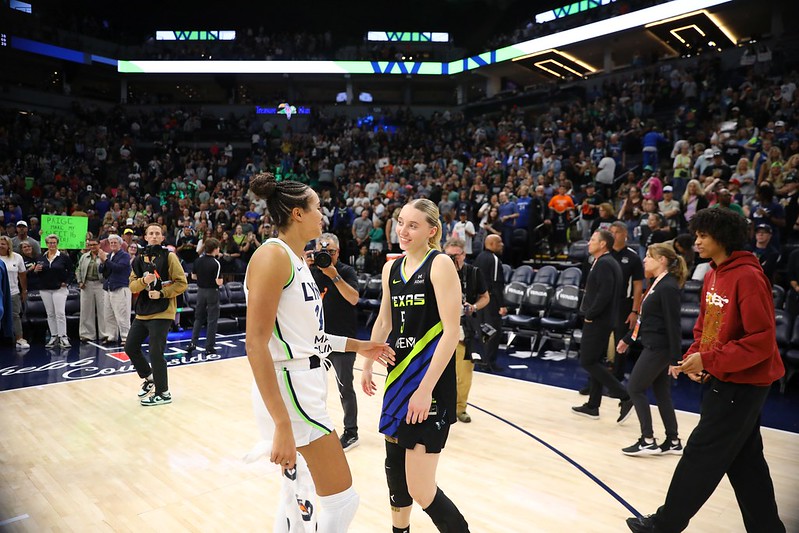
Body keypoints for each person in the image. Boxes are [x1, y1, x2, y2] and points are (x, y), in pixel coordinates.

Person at [244, 172, 394, 532]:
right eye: (317, 207)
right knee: (343, 500)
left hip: (304, 381)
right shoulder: (272, 256)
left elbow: (310, 338)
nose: (322, 214)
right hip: (290, 388)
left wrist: (361, 346)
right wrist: (282, 424)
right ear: (298, 213)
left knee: (296, 496)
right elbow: (255, 343)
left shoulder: (298, 260)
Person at [627, 208, 785, 533]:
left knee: (701, 453)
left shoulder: (748, 277)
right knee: (746, 464)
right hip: (722, 374)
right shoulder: (712, 275)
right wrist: (695, 356)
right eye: (696, 235)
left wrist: (710, 360)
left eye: (703, 235)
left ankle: (665, 525)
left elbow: (761, 341)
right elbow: (704, 327)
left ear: (722, 238)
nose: (696, 241)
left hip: (743, 383)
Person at [362, 198, 470, 533]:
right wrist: (367, 363)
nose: (403, 231)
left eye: (413, 225)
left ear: (431, 231)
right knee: (396, 476)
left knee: (421, 489)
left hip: (430, 386)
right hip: (397, 381)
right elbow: (384, 320)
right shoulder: (390, 269)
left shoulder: (440, 265)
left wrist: (425, 390)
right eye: (400, 222)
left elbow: (451, 332)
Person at [617, 243, 686, 456]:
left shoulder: (668, 287)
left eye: (649, 256)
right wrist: (629, 339)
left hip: (659, 348)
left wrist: (676, 359)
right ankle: (673, 440)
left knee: (635, 388)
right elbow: (645, 318)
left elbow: (674, 325)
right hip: (655, 345)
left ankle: (647, 440)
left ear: (662, 260)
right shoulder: (658, 282)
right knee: (661, 393)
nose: (644, 260)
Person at [572, 230, 634, 421]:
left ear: (602, 244)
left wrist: (590, 314)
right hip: (603, 319)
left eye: (592, 240)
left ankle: (625, 396)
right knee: (596, 362)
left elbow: (604, 294)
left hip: (598, 320)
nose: (588, 242)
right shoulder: (605, 261)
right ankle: (593, 405)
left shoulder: (605, 263)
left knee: (588, 361)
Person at [308, 233, 362, 452]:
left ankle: (351, 432)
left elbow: (354, 298)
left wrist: (334, 275)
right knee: (313, 386)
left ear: (338, 252)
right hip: (318, 339)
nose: (327, 256)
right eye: (322, 252)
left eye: (330, 252)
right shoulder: (311, 272)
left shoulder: (346, 271)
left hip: (343, 339)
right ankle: (316, 428)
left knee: (344, 387)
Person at [125, 223, 188, 406]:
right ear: (145, 237)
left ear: (162, 237)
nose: (154, 236)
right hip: (143, 311)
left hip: (163, 311)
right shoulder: (139, 258)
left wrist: (162, 293)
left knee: (155, 352)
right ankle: (150, 377)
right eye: (151, 233)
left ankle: (163, 393)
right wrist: (144, 281)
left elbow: (182, 283)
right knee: (130, 347)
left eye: (157, 233)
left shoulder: (170, 256)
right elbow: (132, 286)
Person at [444, 237, 489, 424]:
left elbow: (485, 297)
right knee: (439, 374)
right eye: (449, 256)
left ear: (464, 255)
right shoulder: (438, 272)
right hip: (441, 329)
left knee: (464, 375)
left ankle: (460, 408)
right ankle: (442, 408)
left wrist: (474, 307)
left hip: (464, 330)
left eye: (456, 256)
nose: (453, 259)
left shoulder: (474, 273)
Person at [474, 234, 507, 372]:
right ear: (492, 244)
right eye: (499, 242)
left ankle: (483, 360)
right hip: (491, 301)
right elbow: (496, 284)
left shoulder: (479, 257)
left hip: (479, 300)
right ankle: (489, 362)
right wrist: (502, 304)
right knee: (492, 331)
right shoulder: (494, 259)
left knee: (484, 331)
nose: (502, 245)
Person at [187, 237, 223, 356]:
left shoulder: (198, 260)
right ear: (215, 249)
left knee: (198, 318)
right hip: (212, 292)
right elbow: (219, 282)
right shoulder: (216, 263)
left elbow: (193, 276)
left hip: (200, 292)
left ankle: (193, 343)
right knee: (212, 319)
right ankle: (209, 347)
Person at [37, 234, 73, 349]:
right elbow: (37, 274)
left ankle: (63, 337)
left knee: (60, 313)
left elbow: (71, 271)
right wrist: (36, 270)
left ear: (57, 244)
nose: (52, 245)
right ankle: (54, 336)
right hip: (45, 289)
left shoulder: (63, 257)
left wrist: (66, 282)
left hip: (59, 289)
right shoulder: (41, 257)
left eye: (54, 243)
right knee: (50, 314)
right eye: (50, 243)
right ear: (46, 244)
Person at [98, 234, 132, 344]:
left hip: (120, 287)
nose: (112, 244)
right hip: (108, 287)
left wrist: (105, 260)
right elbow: (102, 271)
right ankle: (111, 336)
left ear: (120, 244)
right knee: (108, 314)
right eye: (111, 243)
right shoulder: (109, 256)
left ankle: (126, 337)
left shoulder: (125, 256)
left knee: (122, 314)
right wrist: (103, 262)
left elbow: (118, 268)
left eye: (115, 243)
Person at [76, 235, 110, 343]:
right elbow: (78, 270)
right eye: (90, 245)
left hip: (101, 284)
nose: (92, 247)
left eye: (94, 244)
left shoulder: (105, 255)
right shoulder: (84, 256)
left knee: (103, 310)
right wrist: (80, 281)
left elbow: (109, 269)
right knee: (86, 310)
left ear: (99, 245)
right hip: (86, 284)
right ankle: (87, 334)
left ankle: (105, 334)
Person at [0, 236, 28, 349]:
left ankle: (19, 339)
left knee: (15, 315)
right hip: (0, 293)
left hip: (13, 291)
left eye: (3, 244)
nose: (1, 246)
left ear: (9, 246)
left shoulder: (17, 257)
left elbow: (22, 275)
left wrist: (24, 290)